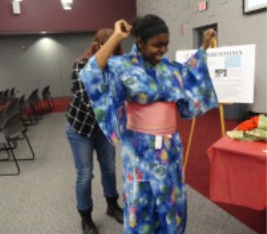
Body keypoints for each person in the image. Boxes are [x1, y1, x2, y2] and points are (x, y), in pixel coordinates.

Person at [80, 15, 218, 234]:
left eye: (166, 44)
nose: (162, 49)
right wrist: (117, 36)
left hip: (169, 148)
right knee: (141, 202)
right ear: (140, 42)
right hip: (138, 149)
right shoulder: (121, 66)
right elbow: (90, 72)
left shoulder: (170, 68)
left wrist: (204, 47)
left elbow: (190, 72)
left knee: (171, 200)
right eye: (157, 44)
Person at [65, 29, 123, 234]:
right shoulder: (81, 66)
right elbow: (87, 99)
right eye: (110, 51)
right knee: (85, 174)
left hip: (104, 129)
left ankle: (112, 206)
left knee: (109, 168)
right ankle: (86, 217)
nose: (113, 56)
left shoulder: (114, 68)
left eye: (116, 52)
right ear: (99, 48)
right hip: (80, 129)